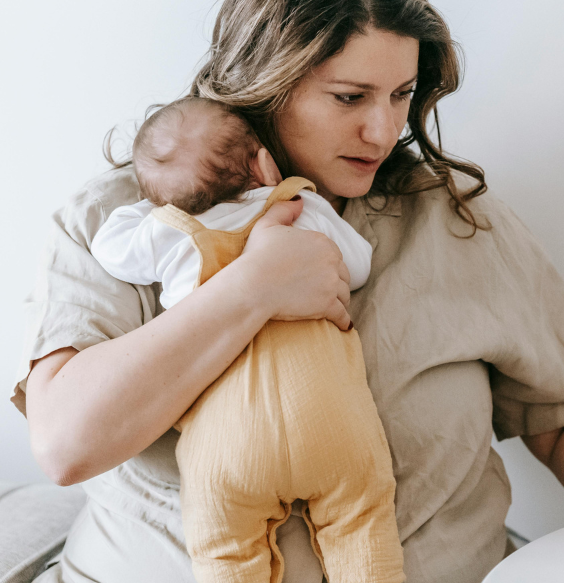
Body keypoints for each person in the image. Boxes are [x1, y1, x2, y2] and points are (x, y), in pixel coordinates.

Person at [12, 0, 564, 583]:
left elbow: (563, 411)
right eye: (349, 98)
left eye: (401, 95)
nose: (383, 131)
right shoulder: (126, 223)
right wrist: (251, 290)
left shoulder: (453, 222)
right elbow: (68, 442)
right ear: (262, 82)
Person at [90, 96, 403, 583]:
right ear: (263, 161)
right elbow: (357, 263)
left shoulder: (171, 232)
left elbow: (110, 248)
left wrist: (156, 206)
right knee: (362, 525)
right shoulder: (298, 207)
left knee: (225, 552)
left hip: (228, 445)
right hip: (328, 421)